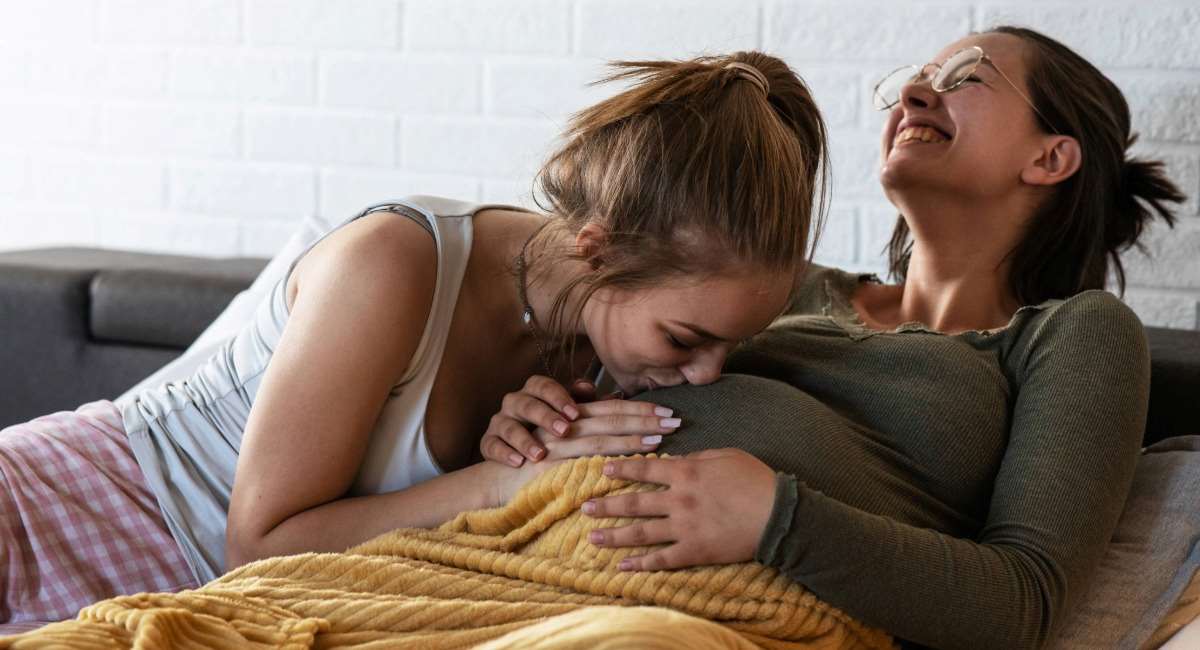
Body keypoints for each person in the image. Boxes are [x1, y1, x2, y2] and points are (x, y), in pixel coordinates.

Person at [0, 51, 830, 629]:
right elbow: (258, 541)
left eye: (728, 345)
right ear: (598, 249)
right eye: (688, 337)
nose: (705, 372)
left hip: (210, 596)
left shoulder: (606, 350)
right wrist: (495, 485)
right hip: (68, 508)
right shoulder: (392, 266)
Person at [478, 26, 1187, 650]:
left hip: (697, 612)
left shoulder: (1072, 335)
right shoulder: (771, 286)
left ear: (1051, 159)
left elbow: (1024, 602)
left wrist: (776, 519)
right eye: (911, 81)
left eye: (962, 77)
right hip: (522, 552)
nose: (912, 93)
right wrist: (540, 418)